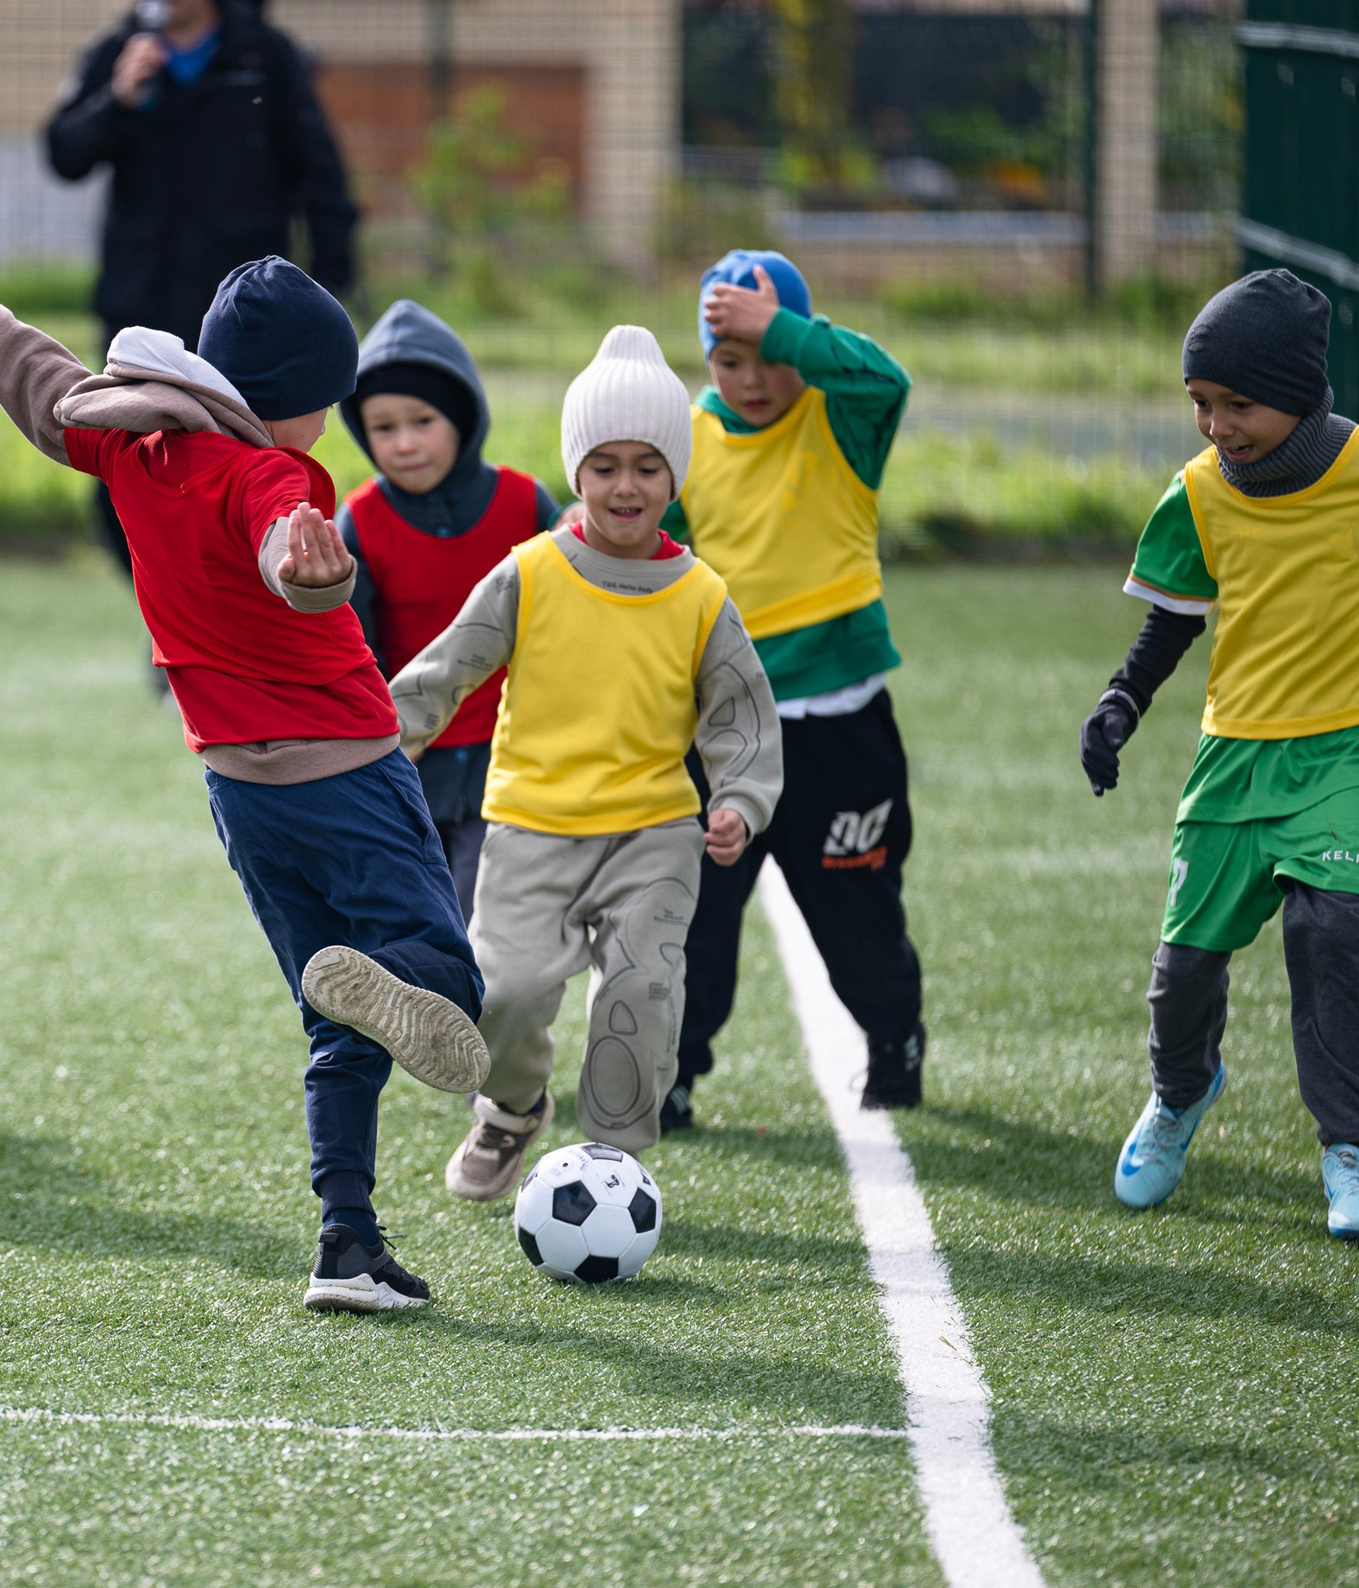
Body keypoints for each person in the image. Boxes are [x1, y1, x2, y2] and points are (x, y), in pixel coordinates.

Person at [0, 202, 486, 1315]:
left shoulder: (128, 441)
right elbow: (291, 558)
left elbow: (26, 363)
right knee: (450, 986)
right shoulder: (275, 480)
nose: (328, 428)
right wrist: (314, 572)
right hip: (346, 766)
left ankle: (348, 1242)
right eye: (325, 406)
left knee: (337, 1014)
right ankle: (391, 1021)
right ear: (289, 398)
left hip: (241, 790)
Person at [393, 328, 781, 1197]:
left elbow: (741, 717)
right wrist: (379, 745)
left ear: (675, 476)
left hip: (654, 831)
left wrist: (739, 803)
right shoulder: (530, 572)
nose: (626, 486)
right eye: (604, 465)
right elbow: (444, 670)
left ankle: (614, 1160)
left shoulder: (701, 594)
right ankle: (511, 1107)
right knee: (508, 990)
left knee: (641, 993)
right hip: (531, 822)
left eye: (648, 465)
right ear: (578, 472)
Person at [1081, 269, 1359, 1241]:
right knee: (1185, 965)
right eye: (1199, 403)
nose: (1216, 425)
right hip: (1235, 756)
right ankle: (1182, 1091)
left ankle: (1347, 1152)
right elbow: (1171, 624)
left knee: (1335, 933)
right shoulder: (1194, 495)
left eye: (1238, 404)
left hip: (1357, 746)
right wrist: (1119, 703)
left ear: (1301, 392)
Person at [663, 249, 925, 1127]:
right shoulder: (686, 439)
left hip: (841, 726)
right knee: (696, 915)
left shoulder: (841, 416)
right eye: (729, 358)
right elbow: (648, 551)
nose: (754, 377)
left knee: (855, 906)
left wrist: (778, 330)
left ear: (801, 343)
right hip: (725, 732)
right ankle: (673, 1073)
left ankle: (895, 1039)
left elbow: (886, 377)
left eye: (771, 354)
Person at [44, 0, 358, 577]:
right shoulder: (118, 52)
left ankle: (246, 573)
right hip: (142, 299)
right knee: (133, 453)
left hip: (244, 314)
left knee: (243, 455)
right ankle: (157, 587)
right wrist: (117, 98)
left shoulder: (264, 56)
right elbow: (64, 153)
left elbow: (319, 170)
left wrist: (331, 280)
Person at [334, 299, 561, 920]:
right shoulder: (359, 521)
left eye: (423, 420)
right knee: (413, 926)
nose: (405, 443)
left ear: (462, 416)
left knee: (486, 926)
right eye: (384, 428)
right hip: (407, 768)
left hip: (514, 767)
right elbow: (353, 654)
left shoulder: (525, 505)